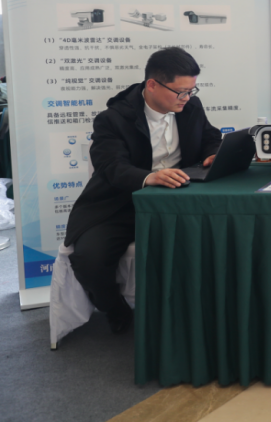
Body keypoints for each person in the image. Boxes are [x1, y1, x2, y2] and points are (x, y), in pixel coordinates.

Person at [64, 47, 222, 333]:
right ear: (152, 84)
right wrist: (150, 177)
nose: (187, 98)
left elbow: (210, 137)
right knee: (90, 261)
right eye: (181, 92)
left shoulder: (191, 107)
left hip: (178, 201)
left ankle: (199, 310)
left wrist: (213, 153)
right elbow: (110, 166)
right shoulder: (112, 118)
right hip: (120, 204)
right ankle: (115, 308)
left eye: (191, 91)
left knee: (218, 240)